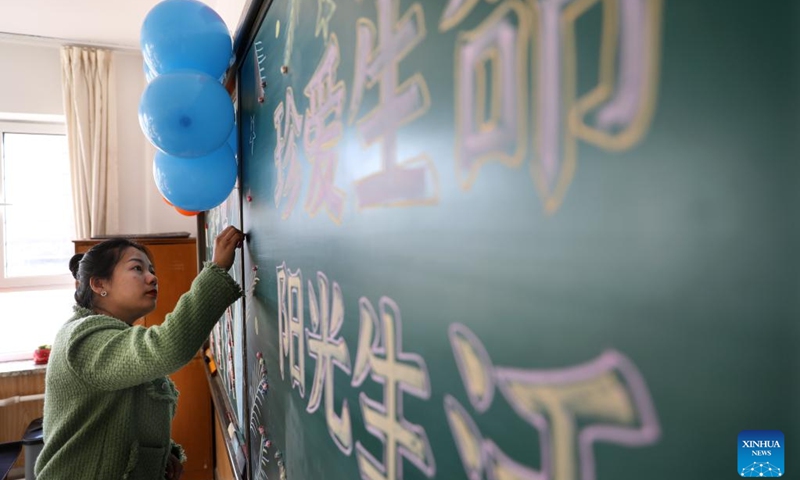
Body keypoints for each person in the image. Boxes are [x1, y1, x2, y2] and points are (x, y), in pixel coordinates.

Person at [35, 226, 245, 480]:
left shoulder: (111, 334)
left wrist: (158, 456)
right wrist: (216, 270)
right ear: (99, 284)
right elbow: (168, 346)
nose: (152, 278)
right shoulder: (83, 337)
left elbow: (122, 419)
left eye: (152, 270)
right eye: (138, 268)